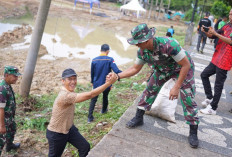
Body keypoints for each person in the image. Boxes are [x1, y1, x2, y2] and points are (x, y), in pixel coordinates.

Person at [118, 23, 199, 148]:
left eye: (139, 42)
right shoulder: (143, 52)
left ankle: (193, 131)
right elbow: (135, 68)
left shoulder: (169, 44)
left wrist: (176, 86)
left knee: (187, 98)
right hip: (162, 69)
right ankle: (138, 117)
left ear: (148, 39)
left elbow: (186, 65)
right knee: (149, 90)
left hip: (182, 68)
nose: (137, 45)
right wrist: (118, 76)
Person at [46, 68, 117, 157]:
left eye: (74, 79)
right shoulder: (65, 96)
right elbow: (90, 95)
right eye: (70, 79)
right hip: (57, 133)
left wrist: (107, 80)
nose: (73, 82)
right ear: (63, 81)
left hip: (69, 128)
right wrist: (108, 83)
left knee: (84, 147)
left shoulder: (69, 91)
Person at [200, 9, 232, 115]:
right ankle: (209, 97)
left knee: (218, 85)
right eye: (230, 13)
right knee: (204, 75)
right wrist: (207, 32)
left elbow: (230, 41)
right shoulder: (227, 26)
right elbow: (214, 35)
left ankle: (213, 108)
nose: (230, 15)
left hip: (225, 60)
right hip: (217, 57)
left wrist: (216, 34)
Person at [88, 44, 122, 123]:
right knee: (105, 96)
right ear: (107, 51)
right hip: (106, 83)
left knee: (93, 99)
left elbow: (92, 73)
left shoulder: (94, 60)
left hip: (96, 84)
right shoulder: (110, 59)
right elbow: (116, 70)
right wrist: (124, 74)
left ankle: (90, 117)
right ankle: (103, 110)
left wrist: (92, 82)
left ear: (100, 50)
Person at [0, 66, 21, 155]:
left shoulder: (8, 85)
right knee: (1, 140)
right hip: (4, 119)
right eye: (14, 76)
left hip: (9, 118)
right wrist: (2, 125)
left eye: (17, 76)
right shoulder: (2, 89)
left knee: (12, 130)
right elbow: (0, 109)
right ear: (7, 75)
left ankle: (9, 145)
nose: (17, 78)